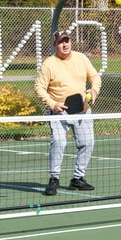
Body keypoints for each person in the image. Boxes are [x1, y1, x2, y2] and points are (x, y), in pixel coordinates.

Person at [35, 30, 101, 195]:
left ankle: (78, 178)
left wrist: (94, 90)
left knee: (87, 143)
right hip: (59, 112)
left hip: (82, 110)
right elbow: (39, 87)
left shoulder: (81, 58)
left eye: (67, 41)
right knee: (58, 142)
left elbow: (95, 76)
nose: (65, 44)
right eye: (61, 42)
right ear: (55, 45)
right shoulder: (49, 64)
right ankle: (54, 179)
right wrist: (52, 104)